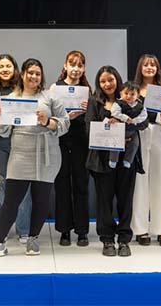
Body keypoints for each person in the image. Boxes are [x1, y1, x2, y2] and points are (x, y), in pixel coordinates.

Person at [0, 58, 70, 259]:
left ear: (41, 76)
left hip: (47, 154)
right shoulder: (12, 97)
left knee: (41, 199)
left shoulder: (50, 97)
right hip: (20, 153)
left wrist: (48, 121)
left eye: (37, 73)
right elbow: (2, 132)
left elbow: (65, 124)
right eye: (30, 72)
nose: (34, 76)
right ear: (23, 75)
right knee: (11, 201)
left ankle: (33, 239)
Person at [84, 66, 144, 257]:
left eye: (110, 79)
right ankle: (107, 239)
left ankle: (124, 239)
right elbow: (89, 129)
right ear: (98, 84)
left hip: (128, 158)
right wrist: (111, 132)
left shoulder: (133, 101)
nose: (107, 84)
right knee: (104, 200)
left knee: (126, 199)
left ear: (117, 80)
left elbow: (143, 123)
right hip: (102, 159)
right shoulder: (95, 101)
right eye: (103, 81)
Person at [132, 54, 161, 247]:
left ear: (157, 69)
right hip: (139, 136)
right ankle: (140, 229)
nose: (149, 68)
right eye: (146, 65)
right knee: (139, 182)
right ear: (140, 68)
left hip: (159, 133)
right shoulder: (132, 91)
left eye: (153, 65)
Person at [51, 50, 91, 247]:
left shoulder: (87, 90)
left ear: (84, 68)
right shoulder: (55, 88)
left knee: (81, 185)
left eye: (80, 65)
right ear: (65, 65)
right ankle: (64, 230)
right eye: (72, 64)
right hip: (60, 139)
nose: (76, 69)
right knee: (62, 185)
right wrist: (67, 116)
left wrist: (88, 106)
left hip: (81, 141)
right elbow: (49, 114)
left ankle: (82, 230)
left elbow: (94, 119)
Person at [0, 54, 31, 243]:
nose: (5, 69)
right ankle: (3, 230)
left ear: (15, 69)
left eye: (8, 66)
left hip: (22, 143)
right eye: (1, 66)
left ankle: (24, 229)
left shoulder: (24, 90)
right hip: (0, 144)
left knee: (23, 188)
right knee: (0, 187)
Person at [109, 81, 148, 169]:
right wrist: (125, 118)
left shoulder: (140, 106)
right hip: (119, 129)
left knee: (135, 144)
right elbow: (114, 112)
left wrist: (135, 120)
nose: (128, 96)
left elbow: (144, 116)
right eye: (126, 93)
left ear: (138, 95)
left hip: (133, 130)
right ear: (121, 93)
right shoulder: (118, 103)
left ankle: (128, 160)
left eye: (132, 94)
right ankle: (113, 160)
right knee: (115, 144)